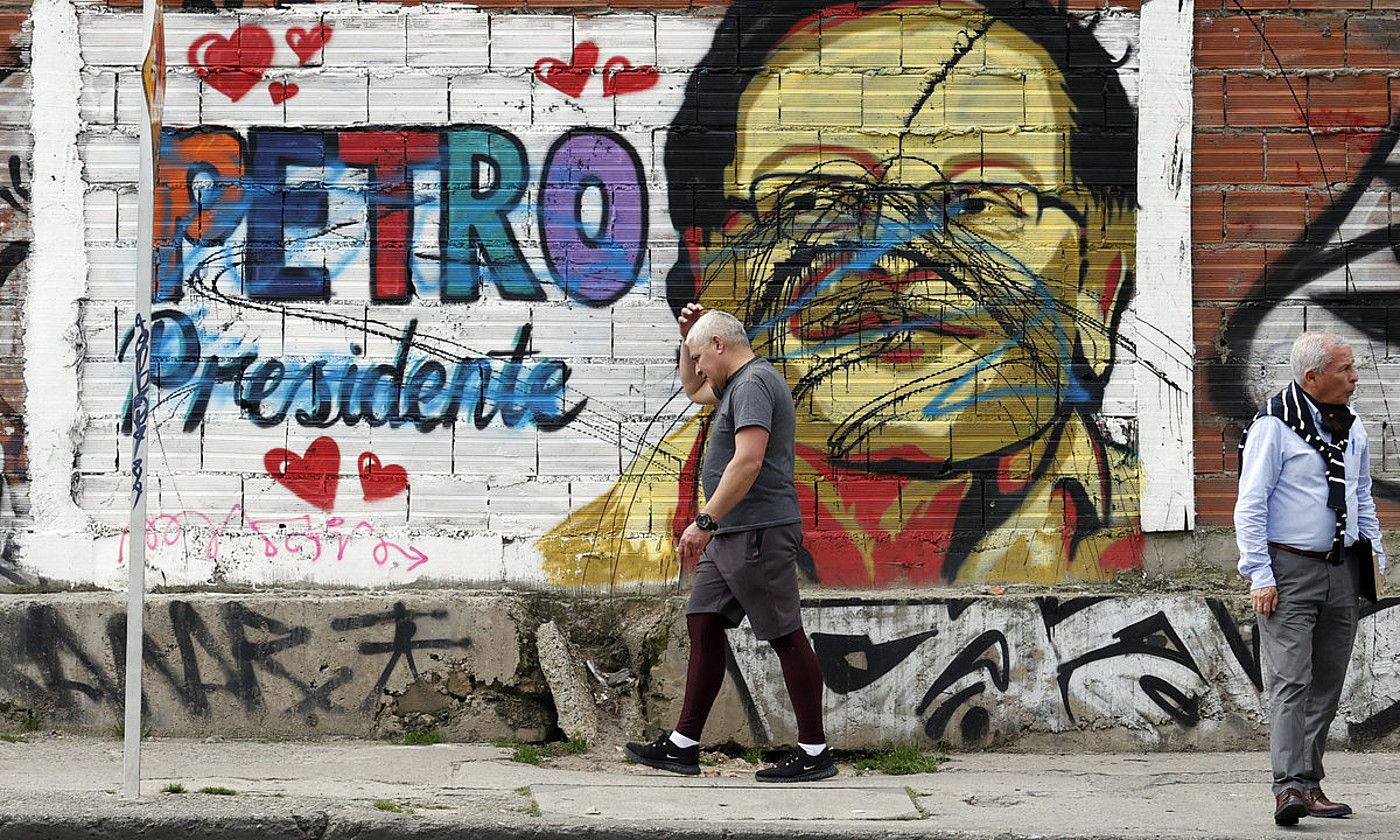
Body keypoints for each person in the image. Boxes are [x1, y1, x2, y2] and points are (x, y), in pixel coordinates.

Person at [540, 0, 1140, 589]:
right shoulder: (588, 567)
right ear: (709, 264)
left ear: (1101, 279)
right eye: (810, 202)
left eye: (979, 203)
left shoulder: (1153, 537)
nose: (893, 259)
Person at [623, 306, 835, 783]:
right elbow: (694, 391)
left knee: (785, 635)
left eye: (700, 355)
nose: (697, 368)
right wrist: (684, 338)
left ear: (720, 345)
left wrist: (704, 520)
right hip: (732, 534)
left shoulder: (755, 383)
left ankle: (814, 751)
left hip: (757, 530)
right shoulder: (733, 384)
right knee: (703, 620)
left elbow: (749, 461)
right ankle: (682, 746)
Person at [1234, 332, 1387, 826]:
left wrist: (1374, 556)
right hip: (1288, 571)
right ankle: (1287, 788)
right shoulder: (1274, 428)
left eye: (1353, 367)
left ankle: (1309, 782)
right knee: (1289, 682)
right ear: (1312, 378)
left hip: (1343, 567)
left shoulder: (1352, 425)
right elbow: (1251, 504)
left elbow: (1361, 493)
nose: (1355, 377)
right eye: (1345, 369)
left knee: (1326, 682)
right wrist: (1259, 573)